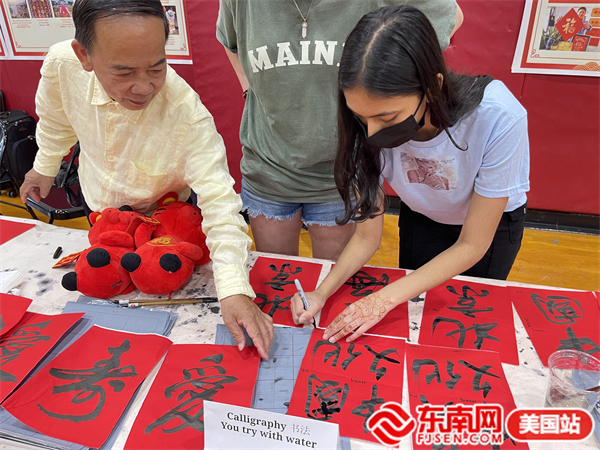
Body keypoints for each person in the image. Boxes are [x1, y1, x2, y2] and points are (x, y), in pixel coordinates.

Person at [19, 0, 273, 360]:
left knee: (161, 289)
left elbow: (220, 202)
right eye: (123, 73)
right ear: (84, 55)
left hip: (166, 221)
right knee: (102, 303)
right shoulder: (62, 65)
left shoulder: (185, 113)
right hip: (104, 214)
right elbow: (56, 120)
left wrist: (233, 289)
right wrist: (43, 166)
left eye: (157, 67)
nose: (143, 87)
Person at [290, 5, 530, 343]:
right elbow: (366, 237)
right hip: (423, 217)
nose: (373, 132)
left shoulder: (498, 117)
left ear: (432, 87)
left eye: (388, 118)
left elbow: (473, 244)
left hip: (490, 231)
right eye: (362, 117)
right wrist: (321, 292)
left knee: (467, 328)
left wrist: (380, 300)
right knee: (418, 320)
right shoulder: (363, 124)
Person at [216, 0, 463, 260]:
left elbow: (450, 17)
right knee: (278, 277)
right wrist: (247, 87)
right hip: (269, 163)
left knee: (333, 276)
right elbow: (230, 40)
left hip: (344, 171)